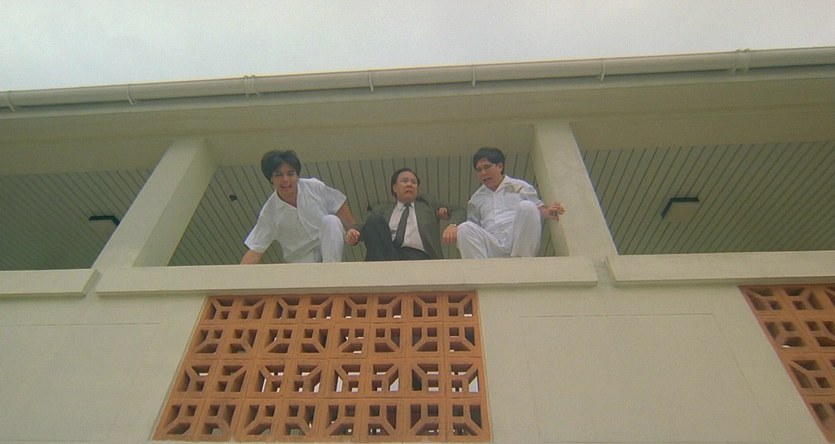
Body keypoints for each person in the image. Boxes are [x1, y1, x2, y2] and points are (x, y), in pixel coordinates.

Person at [240, 150, 360, 264]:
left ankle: (330, 271)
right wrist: (237, 276)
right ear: (271, 178)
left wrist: (353, 231)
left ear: (297, 175)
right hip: (301, 265)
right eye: (279, 175)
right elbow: (255, 250)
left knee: (331, 220)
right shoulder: (269, 213)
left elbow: (338, 203)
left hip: (329, 251)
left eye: (290, 174)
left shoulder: (314, 187)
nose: (285, 179)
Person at [453, 147, 565, 259]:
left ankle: (522, 262)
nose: (483, 172)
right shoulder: (476, 198)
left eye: (487, 167)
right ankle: (480, 268)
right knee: (464, 228)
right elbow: (473, 225)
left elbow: (535, 208)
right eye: (479, 170)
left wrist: (546, 211)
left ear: (500, 166)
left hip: (517, 241)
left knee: (527, 206)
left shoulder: (519, 186)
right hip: (492, 246)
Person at [361, 167, 465, 261]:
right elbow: (364, 227)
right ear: (394, 188)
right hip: (388, 257)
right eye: (405, 181)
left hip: (419, 258)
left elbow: (459, 210)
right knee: (374, 220)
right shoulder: (381, 209)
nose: (409, 184)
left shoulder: (427, 204)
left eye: (414, 182)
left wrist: (453, 225)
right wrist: (354, 233)